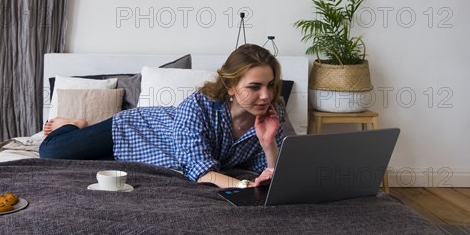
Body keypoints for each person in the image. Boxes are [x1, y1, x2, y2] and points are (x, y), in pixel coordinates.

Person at [39, 44, 286, 188]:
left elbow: (268, 174)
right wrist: (244, 186)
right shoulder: (199, 107)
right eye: (255, 87)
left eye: (271, 85)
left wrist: (268, 144)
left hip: (150, 157)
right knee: (51, 152)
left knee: (92, 165)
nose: (266, 95)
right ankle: (72, 124)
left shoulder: (271, 117)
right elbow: (202, 174)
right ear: (231, 87)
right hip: (132, 130)